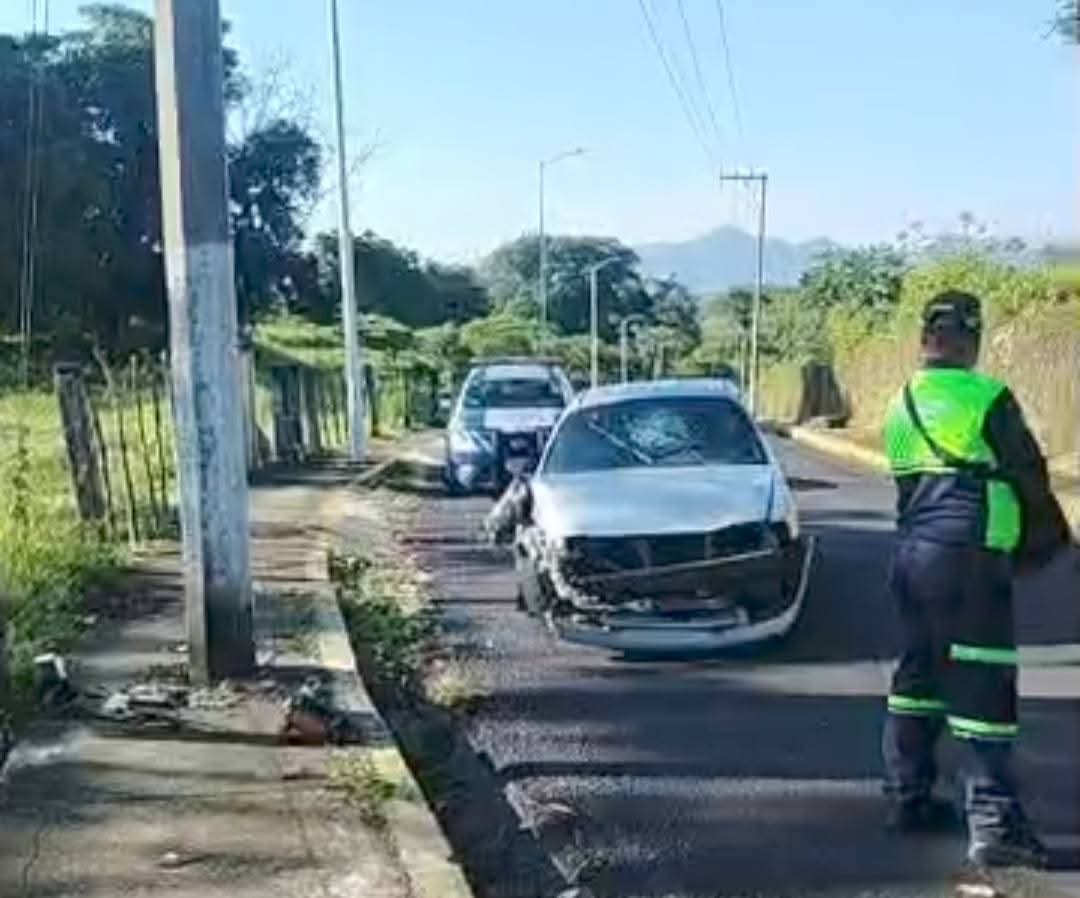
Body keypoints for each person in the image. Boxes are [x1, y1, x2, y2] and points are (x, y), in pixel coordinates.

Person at [881, 290, 1071, 869]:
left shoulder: (901, 400)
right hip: (967, 562)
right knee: (983, 686)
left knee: (918, 675)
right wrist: (1049, 545)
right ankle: (995, 826)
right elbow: (1029, 476)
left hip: (913, 557)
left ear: (923, 338)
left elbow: (910, 484)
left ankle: (907, 796)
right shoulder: (987, 397)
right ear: (971, 338)